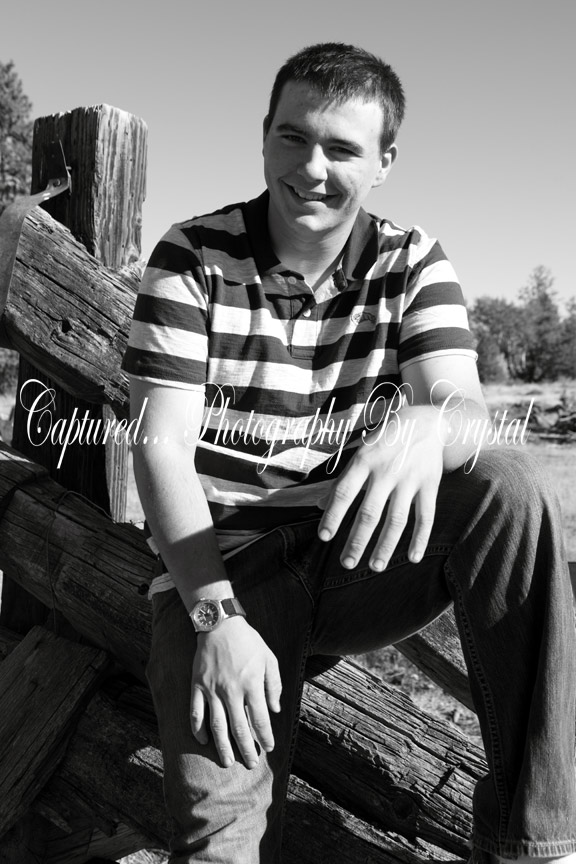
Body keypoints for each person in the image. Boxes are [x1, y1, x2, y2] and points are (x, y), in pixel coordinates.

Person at [122, 42, 576, 864]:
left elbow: (464, 408)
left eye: (342, 148)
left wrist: (429, 425)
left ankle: (538, 845)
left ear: (384, 162)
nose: (312, 168)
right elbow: (161, 451)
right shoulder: (193, 255)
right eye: (293, 137)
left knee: (510, 487)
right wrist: (216, 617)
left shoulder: (411, 259)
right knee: (223, 843)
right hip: (223, 571)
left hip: (355, 557)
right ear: (265, 136)